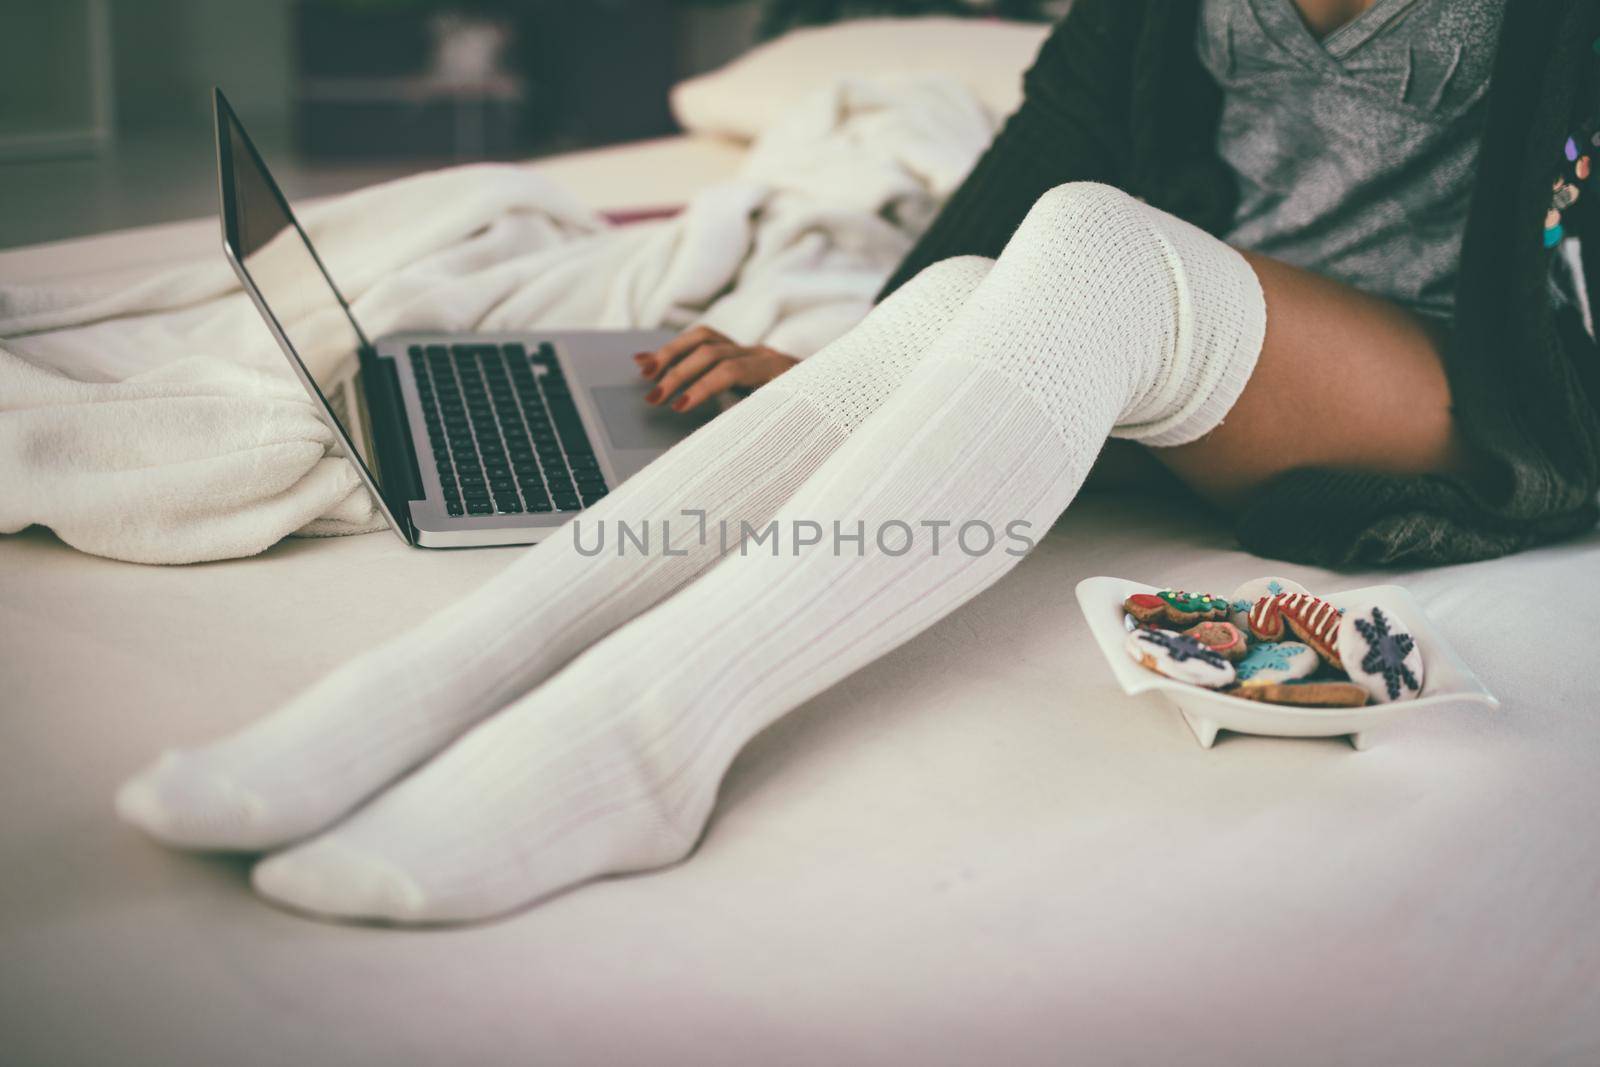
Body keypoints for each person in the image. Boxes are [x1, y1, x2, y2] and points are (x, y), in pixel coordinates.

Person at [116, 0, 1598, 924]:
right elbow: (1037, 157)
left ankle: (647, 736)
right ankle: (451, 676)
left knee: (1090, 240)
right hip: (1222, 331)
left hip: (1469, 381)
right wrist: (889, 356)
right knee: (982, 284)